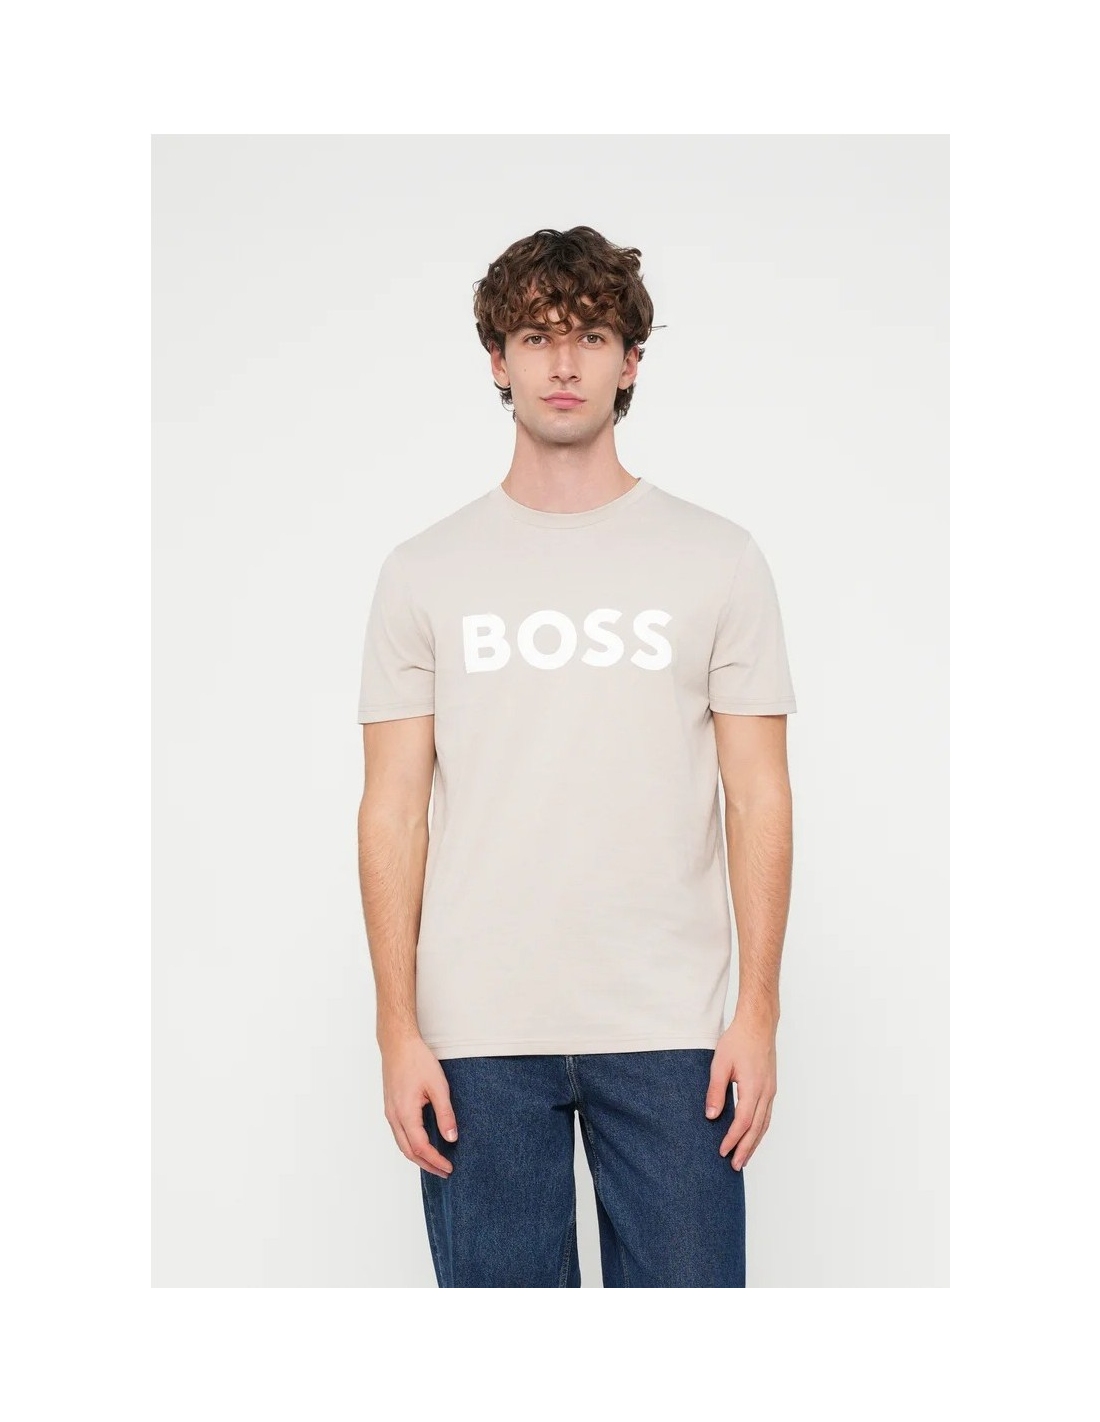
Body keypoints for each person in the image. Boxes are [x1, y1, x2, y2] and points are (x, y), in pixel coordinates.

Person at [356, 225, 797, 1288]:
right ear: (496, 360)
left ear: (630, 362)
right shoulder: (424, 572)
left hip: (671, 1030)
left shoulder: (718, 559)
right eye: (536, 335)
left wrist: (758, 1012)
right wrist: (397, 1032)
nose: (564, 362)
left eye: (591, 336)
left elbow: (757, 796)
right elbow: (392, 812)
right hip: (476, 1034)